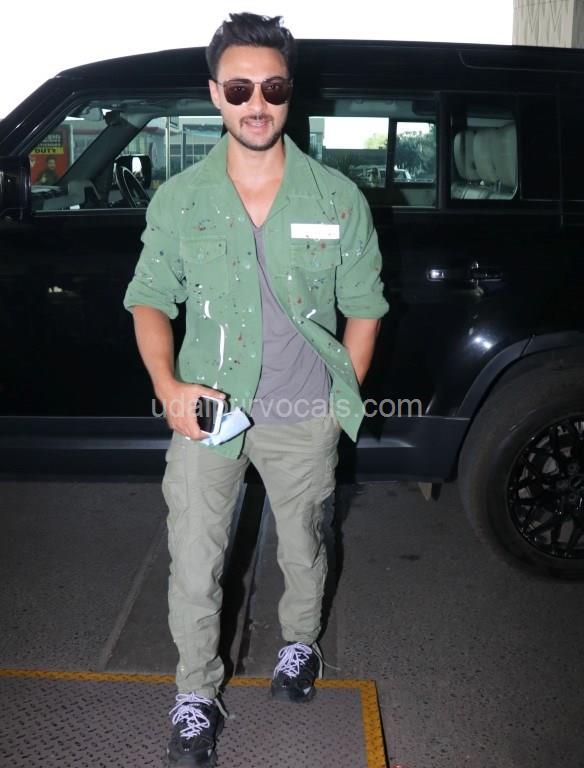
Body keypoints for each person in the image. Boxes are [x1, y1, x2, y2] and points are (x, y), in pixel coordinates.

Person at [123, 12, 389, 767]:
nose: (257, 103)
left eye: (272, 87)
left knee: (303, 546)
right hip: (207, 413)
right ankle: (195, 694)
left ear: (289, 92)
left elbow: (365, 308)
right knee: (194, 559)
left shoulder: (337, 198)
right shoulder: (180, 199)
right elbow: (149, 298)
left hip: (303, 414)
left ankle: (300, 644)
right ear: (215, 93)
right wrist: (169, 386)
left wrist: (336, 404)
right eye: (239, 88)